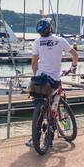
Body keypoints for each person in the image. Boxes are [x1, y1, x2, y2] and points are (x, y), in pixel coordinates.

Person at [25, 18, 78, 147]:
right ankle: (51, 132)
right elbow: (75, 55)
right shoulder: (60, 40)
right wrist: (73, 67)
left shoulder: (37, 42)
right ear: (50, 28)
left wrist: (36, 75)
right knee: (54, 102)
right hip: (54, 79)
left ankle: (35, 137)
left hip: (40, 78)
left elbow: (34, 62)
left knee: (39, 105)